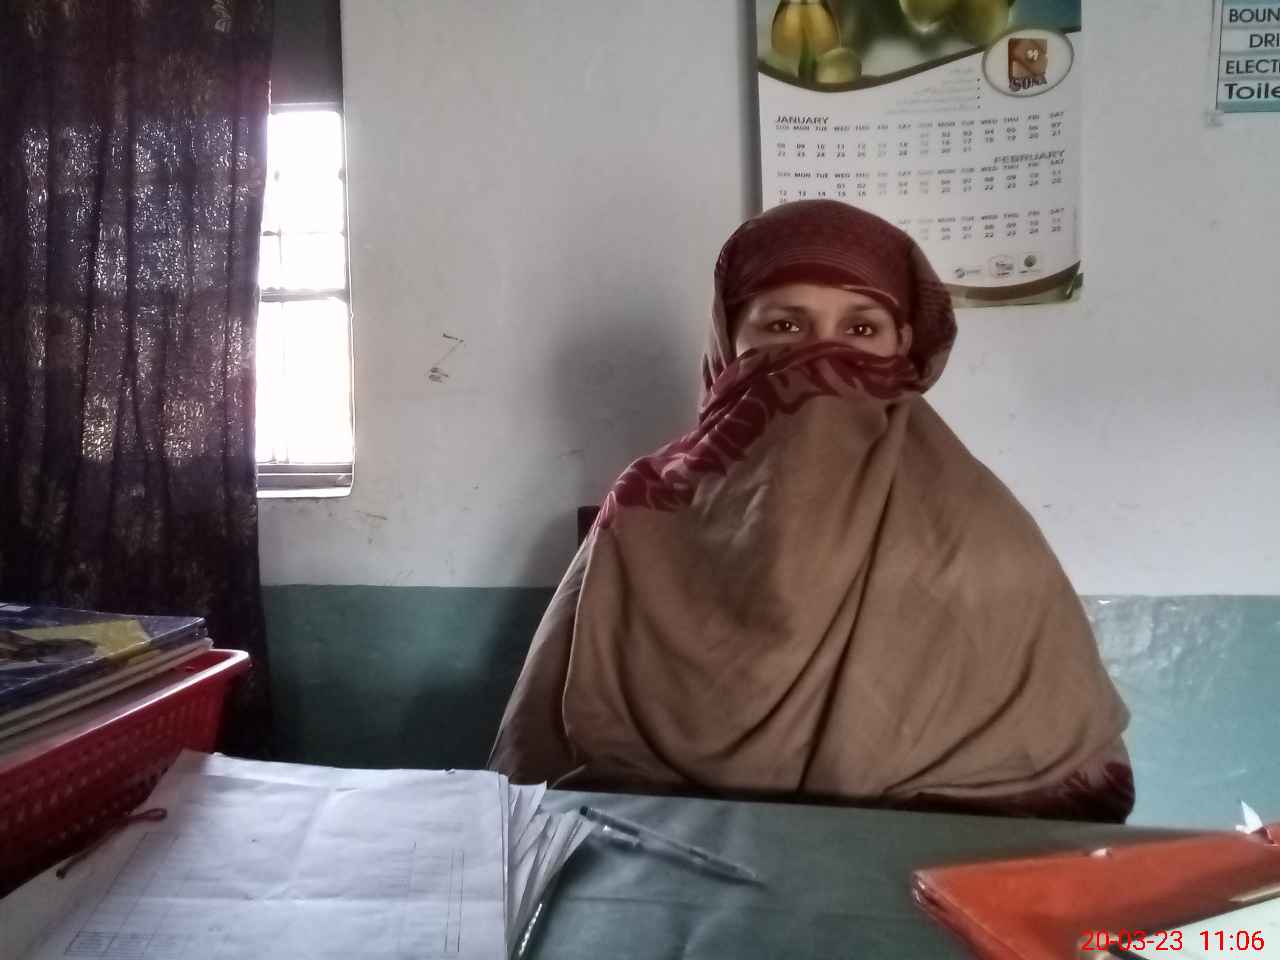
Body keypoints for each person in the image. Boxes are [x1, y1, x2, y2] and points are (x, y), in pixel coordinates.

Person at [490, 200, 1134, 822]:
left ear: (905, 348)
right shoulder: (643, 513)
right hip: (668, 874)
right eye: (785, 326)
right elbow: (542, 779)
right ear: (728, 341)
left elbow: (1057, 791)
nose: (823, 359)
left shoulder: (979, 529)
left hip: (912, 881)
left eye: (861, 329)